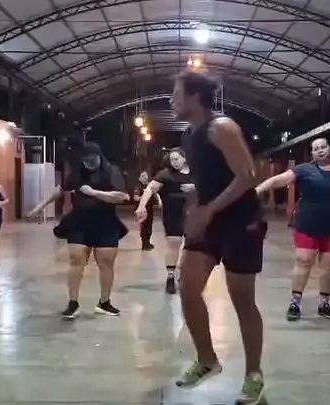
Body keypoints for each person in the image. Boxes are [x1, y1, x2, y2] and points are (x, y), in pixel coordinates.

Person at [170, 71, 267, 405]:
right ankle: (207, 359)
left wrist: (209, 210)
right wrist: (195, 210)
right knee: (187, 288)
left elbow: (247, 176)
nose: (171, 100)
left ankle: (254, 374)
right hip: (209, 220)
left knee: (242, 301)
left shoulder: (221, 127)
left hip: (241, 221)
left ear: (195, 96)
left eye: (176, 94)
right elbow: (205, 180)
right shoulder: (189, 135)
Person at [255, 137, 330, 323]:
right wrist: (256, 191)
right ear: (312, 153)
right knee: (304, 261)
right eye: (315, 148)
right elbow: (276, 181)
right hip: (307, 224)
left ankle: (324, 304)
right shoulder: (304, 170)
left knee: (329, 266)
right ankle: (295, 303)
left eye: (323, 147)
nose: (320, 150)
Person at [54, 142, 130, 319]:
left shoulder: (112, 171)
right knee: (76, 260)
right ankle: (73, 302)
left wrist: (93, 193)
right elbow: (61, 189)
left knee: (106, 263)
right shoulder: (77, 172)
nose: (88, 163)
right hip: (79, 222)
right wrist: (39, 207)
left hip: (106, 222)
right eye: (85, 160)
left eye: (92, 160)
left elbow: (122, 196)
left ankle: (104, 302)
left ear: (99, 157)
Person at [135, 148, 195, 294]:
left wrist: (195, 187)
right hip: (172, 214)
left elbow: (210, 187)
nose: (174, 162)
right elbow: (150, 189)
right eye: (171, 160)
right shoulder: (165, 174)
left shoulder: (196, 174)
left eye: (176, 159)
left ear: (184, 158)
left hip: (193, 213)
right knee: (174, 244)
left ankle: (185, 274)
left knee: (192, 247)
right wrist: (142, 206)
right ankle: (170, 278)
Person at [132, 171, 158, 251]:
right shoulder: (138, 187)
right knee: (144, 227)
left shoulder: (149, 186)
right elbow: (135, 198)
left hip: (150, 209)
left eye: (146, 176)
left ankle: (148, 242)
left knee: (149, 226)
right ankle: (144, 244)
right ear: (139, 178)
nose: (145, 177)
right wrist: (145, 198)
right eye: (143, 176)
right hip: (142, 210)